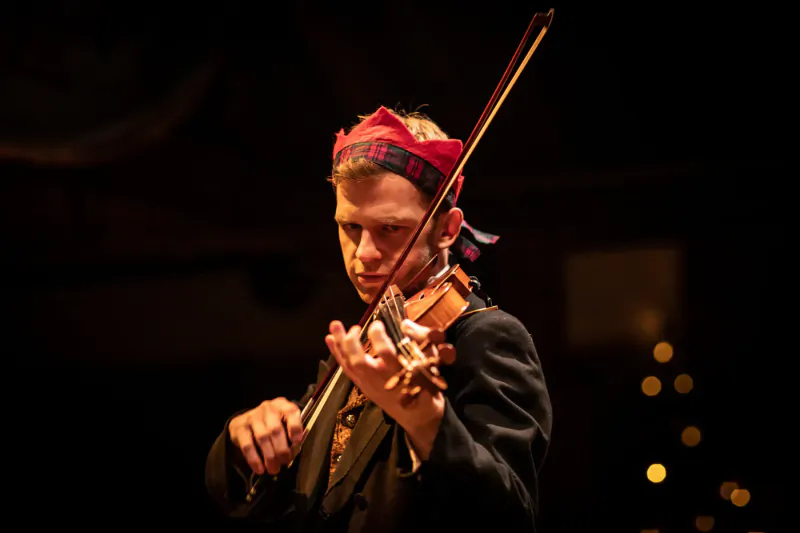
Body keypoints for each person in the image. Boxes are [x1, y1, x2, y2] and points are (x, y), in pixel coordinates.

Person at [205, 105, 553, 532]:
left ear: (447, 229)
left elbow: (511, 516)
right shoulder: (367, 345)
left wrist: (427, 424)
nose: (364, 254)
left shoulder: (487, 337)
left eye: (390, 229)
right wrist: (247, 437)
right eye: (350, 228)